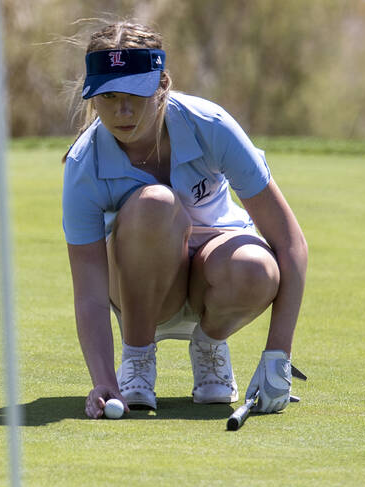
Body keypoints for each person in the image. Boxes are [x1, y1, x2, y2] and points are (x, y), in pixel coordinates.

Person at [62, 20, 307, 419]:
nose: (122, 111)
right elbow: (89, 289)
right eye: (108, 97)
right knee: (155, 204)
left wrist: (278, 354)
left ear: (162, 85)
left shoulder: (210, 125)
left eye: (136, 95)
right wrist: (102, 378)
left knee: (256, 268)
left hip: (217, 278)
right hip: (137, 291)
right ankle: (137, 357)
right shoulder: (83, 163)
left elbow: (290, 241)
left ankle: (210, 345)